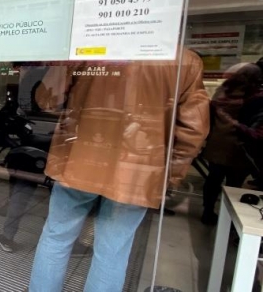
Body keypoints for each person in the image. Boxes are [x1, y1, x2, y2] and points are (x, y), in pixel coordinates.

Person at [28, 51, 209, 292]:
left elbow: (46, 100)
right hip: (137, 170)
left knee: (56, 237)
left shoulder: (92, 48)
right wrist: (170, 174)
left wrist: (65, 64)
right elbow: (194, 129)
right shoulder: (184, 60)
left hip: (80, 161)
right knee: (112, 252)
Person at [201, 63, 262, 225]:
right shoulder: (254, 95)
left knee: (213, 179)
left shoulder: (223, 91)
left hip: (218, 142)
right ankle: (227, 219)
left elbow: (210, 114)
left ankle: (207, 212)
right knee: (234, 185)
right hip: (240, 146)